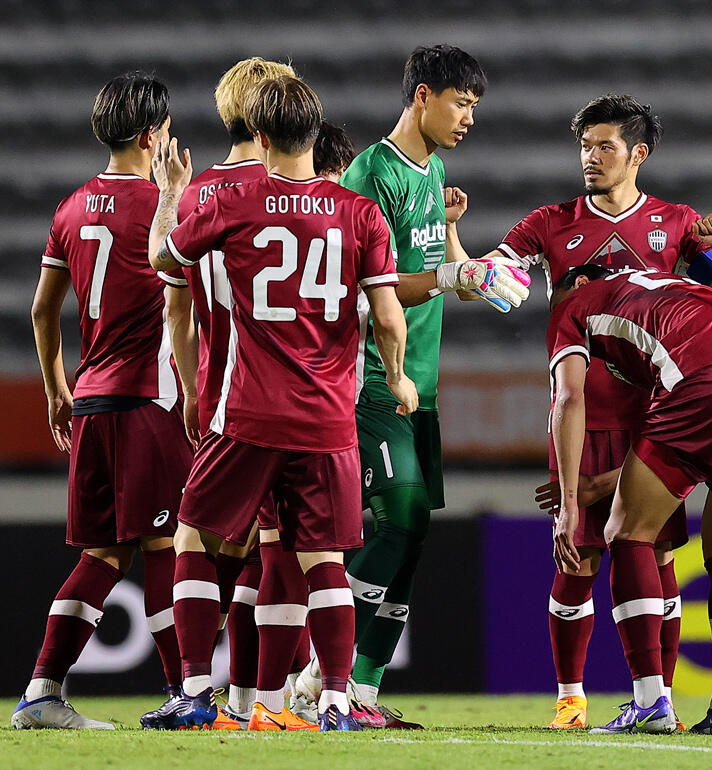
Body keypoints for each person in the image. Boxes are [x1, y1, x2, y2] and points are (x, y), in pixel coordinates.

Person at [144, 74, 421, 732]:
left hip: (247, 412)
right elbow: (386, 314)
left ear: (261, 137)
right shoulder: (360, 213)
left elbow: (164, 264)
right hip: (328, 420)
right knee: (322, 559)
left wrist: (170, 199)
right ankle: (332, 698)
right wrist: (402, 378)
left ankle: (193, 692)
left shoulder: (235, 202)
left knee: (193, 536)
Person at [485, 93, 712, 730]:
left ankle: (657, 698)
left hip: (653, 418)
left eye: (604, 147)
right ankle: (571, 697)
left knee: (658, 560)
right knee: (575, 559)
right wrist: (468, 250)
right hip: (576, 416)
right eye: (585, 147)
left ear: (640, 154)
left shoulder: (677, 224)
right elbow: (492, 281)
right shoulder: (551, 224)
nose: (590, 158)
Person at [288, 44, 502, 729]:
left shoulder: (433, 170)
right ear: (421, 97)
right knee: (398, 523)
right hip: (378, 379)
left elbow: (452, 279)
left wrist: (461, 250)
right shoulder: (370, 174)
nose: (469, 118)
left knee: (410, 540)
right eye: (460, 103)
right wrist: (448, 279)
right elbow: (362, 284)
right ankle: (324, 672)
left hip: (422, 383)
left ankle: (363, 694)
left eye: (474, 106)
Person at [13, 72, 192, 730]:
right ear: (152, 135)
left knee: (104, 553)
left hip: (89, 398)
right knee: (166, 544)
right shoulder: (165, 206)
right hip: (147, 399)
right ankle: (185, 695)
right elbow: (184, 299)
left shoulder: (69, 207)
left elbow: (40, 311)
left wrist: (57, 387)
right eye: (167, 130)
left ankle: (42, 692)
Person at [547, 265, 712, 735]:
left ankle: (650, 701)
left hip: (705, 377)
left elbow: (569, 398)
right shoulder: (664, 286)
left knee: (627, 532)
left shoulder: (576, 303)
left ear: (576, 286)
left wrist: (571, 500)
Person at [139, 55, 306, 732]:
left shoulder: (207, 191)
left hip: (232, 392)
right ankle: (255, 702)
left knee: (199, 541)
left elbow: (175, 306)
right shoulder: (310, 188)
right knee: (279, 545)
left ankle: (196, 693)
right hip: (309, 398)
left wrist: (190, 389)